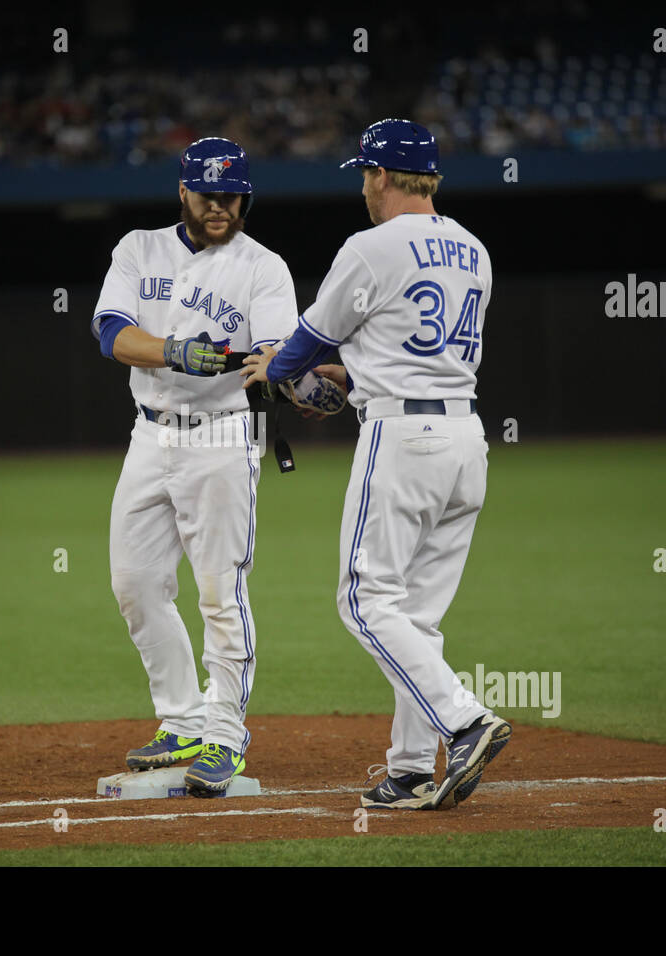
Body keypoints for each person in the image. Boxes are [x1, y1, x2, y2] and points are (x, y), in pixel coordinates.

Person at [241, 118, 511, 810]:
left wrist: (277, 370)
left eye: (366, 173)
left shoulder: (370, 247)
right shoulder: (473, 249)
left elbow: (304, 344)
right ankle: (413, 767)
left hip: (403, 441)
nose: (364, 185)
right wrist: (349, 376)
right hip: (465, 440)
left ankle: (466, 720)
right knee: (416, 613)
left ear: (383, 176)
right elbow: (404, 351)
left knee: (363, 599)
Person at [91, 137, 299, 796]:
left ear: (245, 196)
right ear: (183, 191)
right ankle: (180, 718)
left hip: (220, 437)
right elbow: (111, 334)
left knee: (218, 590)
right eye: (207, 193)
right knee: (135, 580)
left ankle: (225, 734)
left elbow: (271, 351)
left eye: (230, 194)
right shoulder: (138, 248)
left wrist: (270, 368)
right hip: (150, 437)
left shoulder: (262, 267)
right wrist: (176, 351)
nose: (219, 205)